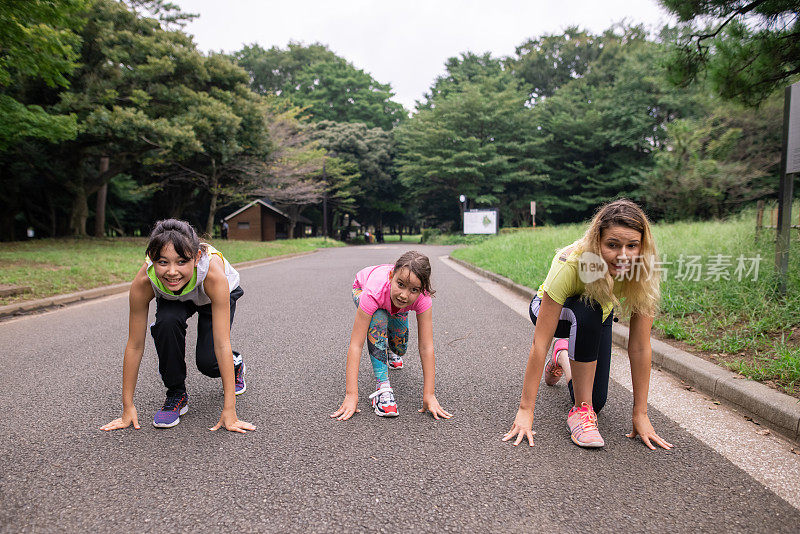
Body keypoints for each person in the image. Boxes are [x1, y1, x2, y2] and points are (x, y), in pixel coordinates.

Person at [502, 199, 672, 450]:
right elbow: (540, 343)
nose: (623, 256)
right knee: (588, 310)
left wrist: (641, 415)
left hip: (597, 315)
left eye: (632, 246)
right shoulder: (572, 264)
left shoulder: (644, 270)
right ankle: (581, 413)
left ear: (642, 246)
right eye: (612, 245)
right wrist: (525, 411)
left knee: (598, 401)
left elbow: (639, 346)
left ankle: (562, 356)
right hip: (551, 313)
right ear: (597, 242)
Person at [101, 219, 254, 433]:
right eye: (163, 262)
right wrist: (127, 408)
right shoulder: (145, 281)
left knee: (209, 362)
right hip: (174, 295)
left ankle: (236, 364)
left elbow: (222, 343)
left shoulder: (213, 274)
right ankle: (176, 394)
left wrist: (230, 410)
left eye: (181, 261)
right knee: (166, 323)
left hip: (210, 297)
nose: (172, 271)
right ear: (152, 259)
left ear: (196, 257)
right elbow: (135, 345)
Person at [331, 251, 452, 420]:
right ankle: (383, 388)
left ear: (422, 290)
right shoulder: (373, 291)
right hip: (362, 289)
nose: (404, 294)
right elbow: (356, 344)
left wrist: (429, 394)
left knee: (400, 347)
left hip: (391, 302)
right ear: (391, 276)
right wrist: (351, 395)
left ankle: (391, 344)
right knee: (379, 316)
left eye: (414, 290)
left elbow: (426, 346)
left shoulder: (423, 298)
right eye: (400, 284)